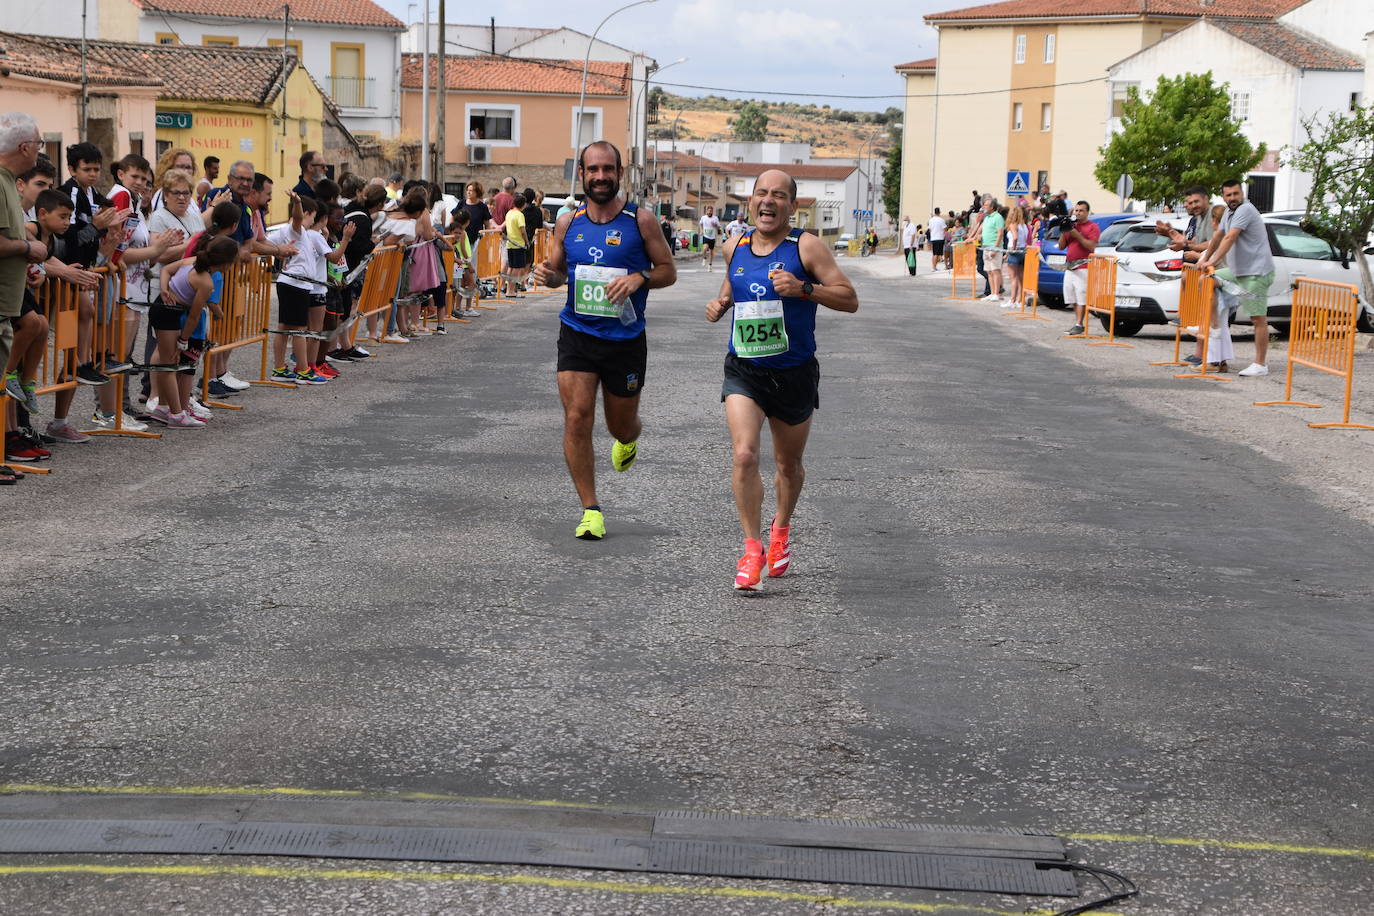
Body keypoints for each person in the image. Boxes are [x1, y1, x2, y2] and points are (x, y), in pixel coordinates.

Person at [704, 168, 858, 592]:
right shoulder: (734, 245)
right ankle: (752, 550)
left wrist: (805, 289)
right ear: (750, 201)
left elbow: (849, 299)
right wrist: (720, 304)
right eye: (761, 194)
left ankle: (781, 530)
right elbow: (732, 289)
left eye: (778, 195)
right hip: (745, 369)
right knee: (745, 454)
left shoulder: (806, 247)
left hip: (793, 372)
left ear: (792, 205)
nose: (768, 201)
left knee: (788, 465)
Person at [530, 140, 677, 540]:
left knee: (620, 425)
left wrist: (639, 277)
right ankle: (590, 509)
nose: (599, 177)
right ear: (582, 174)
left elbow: (668, 270)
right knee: (577, 416)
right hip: (577, 334)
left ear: (619, 174)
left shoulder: (640, 221)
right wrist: (551, 277)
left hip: (625, 339)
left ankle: (628, 440)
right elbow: (560, 272)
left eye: (607, 170)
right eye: (592, 170)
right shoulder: (567, 222)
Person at [150, 236, 239, 428]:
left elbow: (166, 269)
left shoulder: (192, 262)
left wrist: (164, 289)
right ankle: (176, 415)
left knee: (170, 364)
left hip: (165, 309)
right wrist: (183, 340)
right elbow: (194, 316)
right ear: (227, 263)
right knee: (169, 365)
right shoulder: (206, 282)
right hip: (167, 313)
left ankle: (163, 409)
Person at [0, 112, 46, 482]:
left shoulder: (7, 182)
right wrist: (28, 248)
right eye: (40, 144)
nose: (40, 151)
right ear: (25, 147)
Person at [269, 193, 353, 384]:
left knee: (287, 327)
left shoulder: (301, 233)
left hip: (297, 283)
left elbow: (269, 242)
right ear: (306, 213)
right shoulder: (296, 229)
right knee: (299, 329)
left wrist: (279, 252)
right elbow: (297, 219)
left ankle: (281, 368)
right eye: (313, 216)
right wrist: (297, 203)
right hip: (294, 283)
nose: (315, 220)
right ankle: (302, 370)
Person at [1198, 179, 1275, 377]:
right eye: (1228, 195)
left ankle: (1260, 364)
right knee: (1206, 280)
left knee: (1257, 319)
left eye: (1235, 194)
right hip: (1238, 271)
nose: (1232, 198)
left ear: (1242, 193)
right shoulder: (1229, 212)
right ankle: (1215, 326)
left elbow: (1230, 238)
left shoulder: (1245, 210)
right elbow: (1217, 236)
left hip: (1256, 272)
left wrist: (1211, 261)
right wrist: (1205, 259)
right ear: (1223, 197)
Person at [1062, 200, 1100, 336]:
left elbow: (1091, 246)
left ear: (1087, 212)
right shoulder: (1072, 226)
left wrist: (1077, 235)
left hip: (1084, 266)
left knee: (1081, 295)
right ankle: (1077, 322)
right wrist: (1064, 231)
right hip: (1070, 266)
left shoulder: (1092, 227)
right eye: (1076, 210)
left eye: (1081, 211)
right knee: (1070, 296)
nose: (1078, 213)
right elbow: (1061, 246)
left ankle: (1079, 324)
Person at [1000, 203, 1029, 310]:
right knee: (1021, 277)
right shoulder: (1024, 225)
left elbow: (1015, 238)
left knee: (1014, 277)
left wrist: (1012, 248)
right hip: (1022, 251)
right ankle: (1020, 300)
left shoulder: (1013, 224)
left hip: (1015, 251)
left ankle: (1012, 300)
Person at [979, 202, 1005, 301]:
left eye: (986, 205)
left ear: (992, 207)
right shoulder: (987, 217)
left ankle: (997, 293)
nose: (984, 207)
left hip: (994, 246)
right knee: (989, 271)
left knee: (995, 270)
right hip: (986, 246)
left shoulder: (998, 217)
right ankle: (992, 292)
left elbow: (1000, 233)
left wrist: (995, 248)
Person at [699, 205, 721, 271]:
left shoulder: (715, 218)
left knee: (711, 252)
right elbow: (700, 224)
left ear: (712, 211)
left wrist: (715, 225)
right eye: (708, 211)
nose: (709, 212)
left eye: (711, 211)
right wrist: (701, 230)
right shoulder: (703, 217)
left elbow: (719, 227)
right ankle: (704, 258)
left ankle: (710, 265)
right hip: (706, 236)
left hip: (712, 237)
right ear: (707, 211)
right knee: (705, 248)